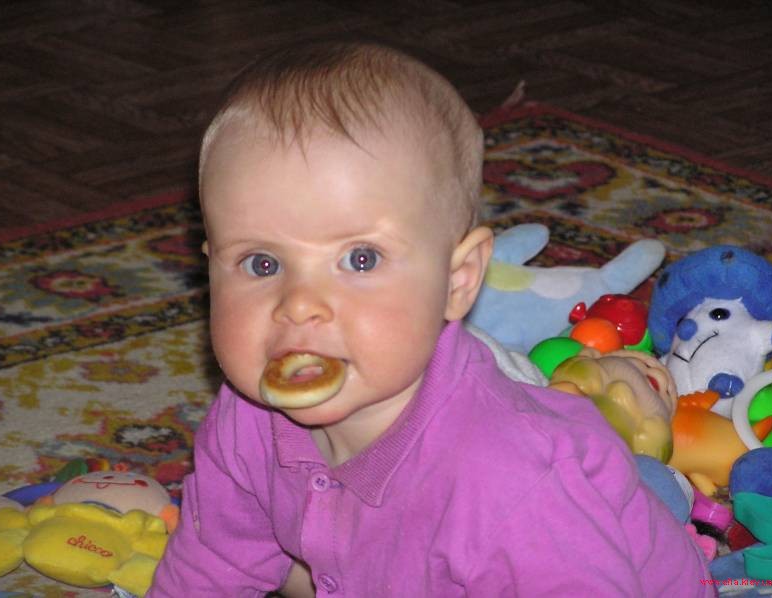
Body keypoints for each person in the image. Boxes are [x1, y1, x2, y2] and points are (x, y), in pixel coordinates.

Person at [149, 41, 711, 597]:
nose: (299, 304)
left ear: (458, 280)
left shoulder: (505, 476)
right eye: (261, 263)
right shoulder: (246, 419)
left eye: (360, 259)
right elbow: (209, 564)